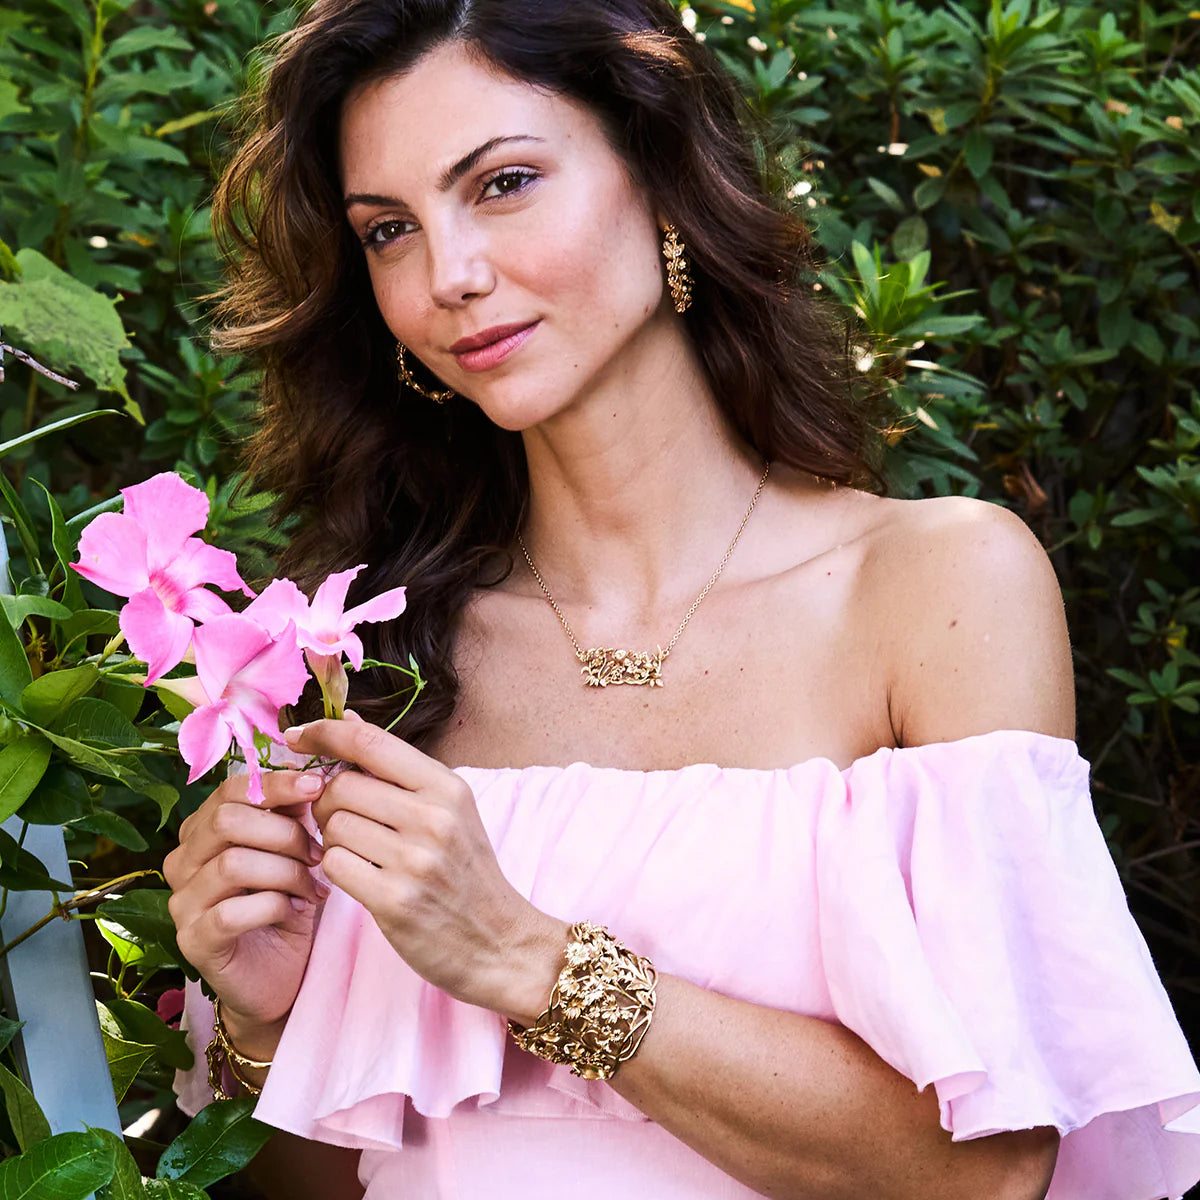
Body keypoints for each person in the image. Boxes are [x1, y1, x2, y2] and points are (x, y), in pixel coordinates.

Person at [165, 2, 1200, 1197]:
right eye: (389, 229)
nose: (450, 274)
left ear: (661, 179)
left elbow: (992, 1170)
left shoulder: (932, 588)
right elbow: (318, 1186)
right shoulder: (365, 660)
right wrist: (265, 1021)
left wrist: (530, 961)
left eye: (502, 183)